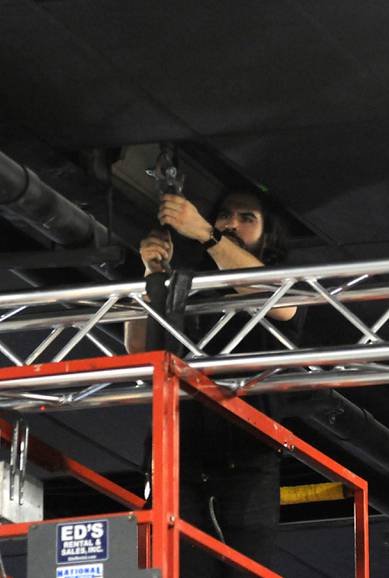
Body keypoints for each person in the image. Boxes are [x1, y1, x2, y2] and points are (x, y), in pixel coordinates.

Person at [125, 189, 302, 576]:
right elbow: (139, 349)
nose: (231, 224)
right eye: (225, 215)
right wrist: (152, 274)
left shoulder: (277, 280)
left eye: (246, 218)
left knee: (246, 571)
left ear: (269, 235)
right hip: (177, 453)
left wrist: (206, 232)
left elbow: (282, 303)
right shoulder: (188, 285)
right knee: (177, 567)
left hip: (247, 454)